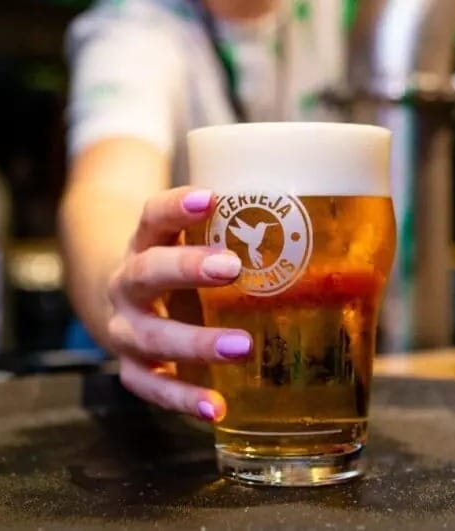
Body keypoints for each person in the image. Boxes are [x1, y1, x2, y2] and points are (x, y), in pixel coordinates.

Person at [59, 0, 350, 421]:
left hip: (332, 370)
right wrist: (129, 291)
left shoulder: (362, 15)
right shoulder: (135, 28)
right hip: (172, 392)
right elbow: (107, 192)